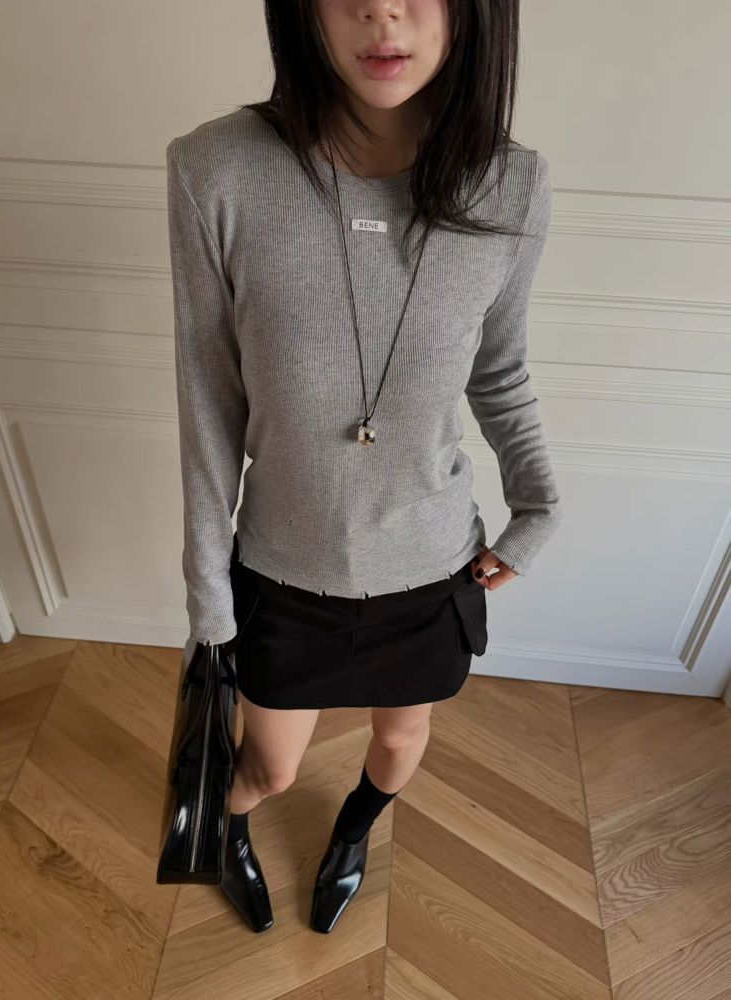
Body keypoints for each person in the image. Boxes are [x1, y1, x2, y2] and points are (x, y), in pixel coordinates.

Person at [165, 0, 562, 935]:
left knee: (401, 735)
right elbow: (207, 402)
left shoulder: (511, 185)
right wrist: (208, 601)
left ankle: (352, 834)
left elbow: (500, 370)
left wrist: (539, 505)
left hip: (431, 571)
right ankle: (231, 830)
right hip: (284, 574)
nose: (383, 12)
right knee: (268, 768)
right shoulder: (215, 169)